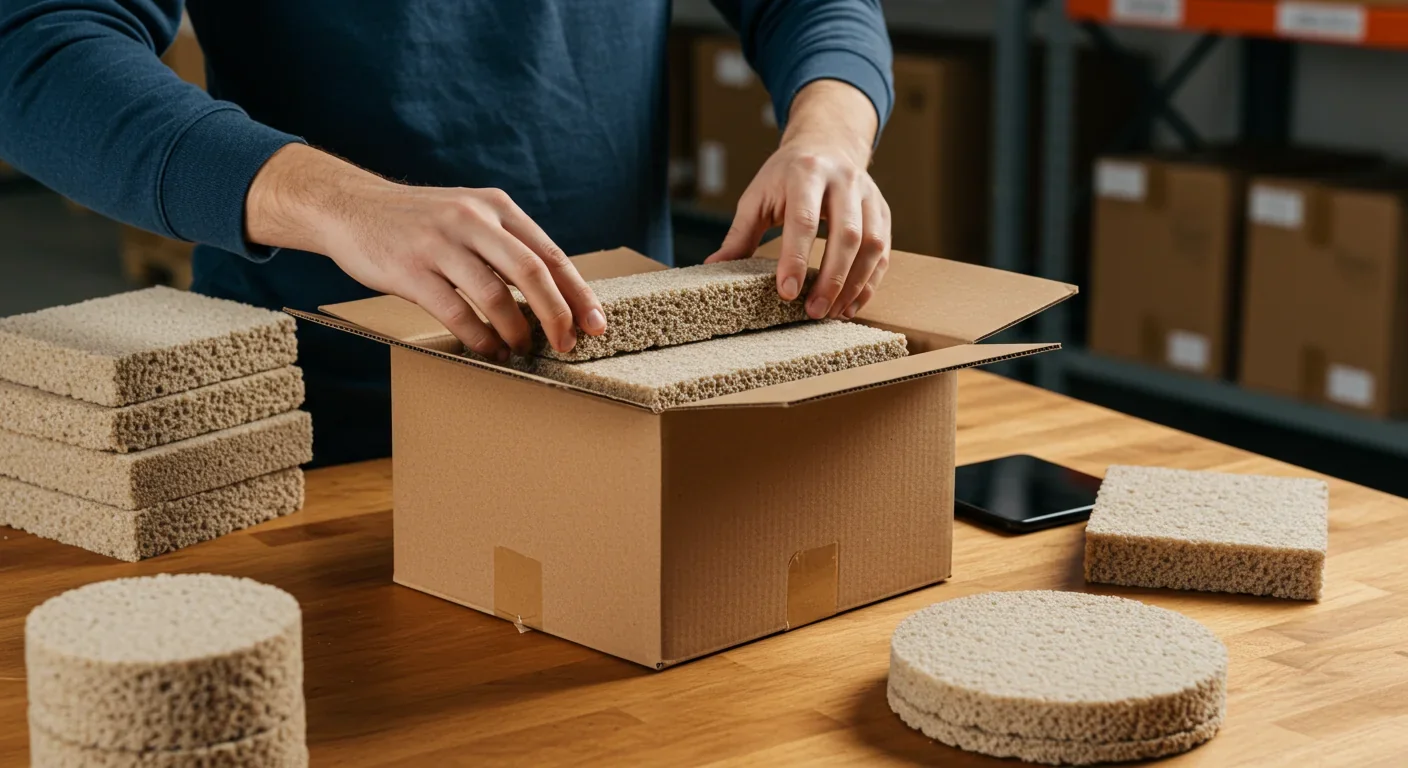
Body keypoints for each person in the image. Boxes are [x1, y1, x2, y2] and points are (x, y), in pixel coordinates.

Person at [0, 1, 896, 466]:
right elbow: (36, 44)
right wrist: (339, 201)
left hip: (619, 393)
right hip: (311, 420)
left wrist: (830, 132)